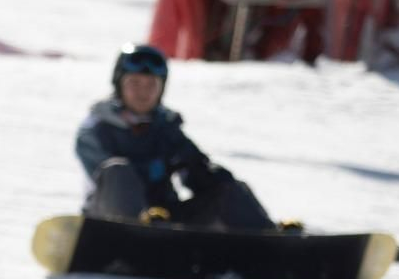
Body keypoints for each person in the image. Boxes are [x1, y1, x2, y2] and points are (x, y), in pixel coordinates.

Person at [75, 43, 277, 231]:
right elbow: (102, 174)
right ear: (119, 85)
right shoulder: (97, 129)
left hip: (163, 222)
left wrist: (212, 178)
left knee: (223, 185)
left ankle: (270, 241)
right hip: (109, 221)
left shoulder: (166, 129)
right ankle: (134, 236)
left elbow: (195, 172)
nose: (143, 92)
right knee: (118, 171)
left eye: (151, 85)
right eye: (135, 83)